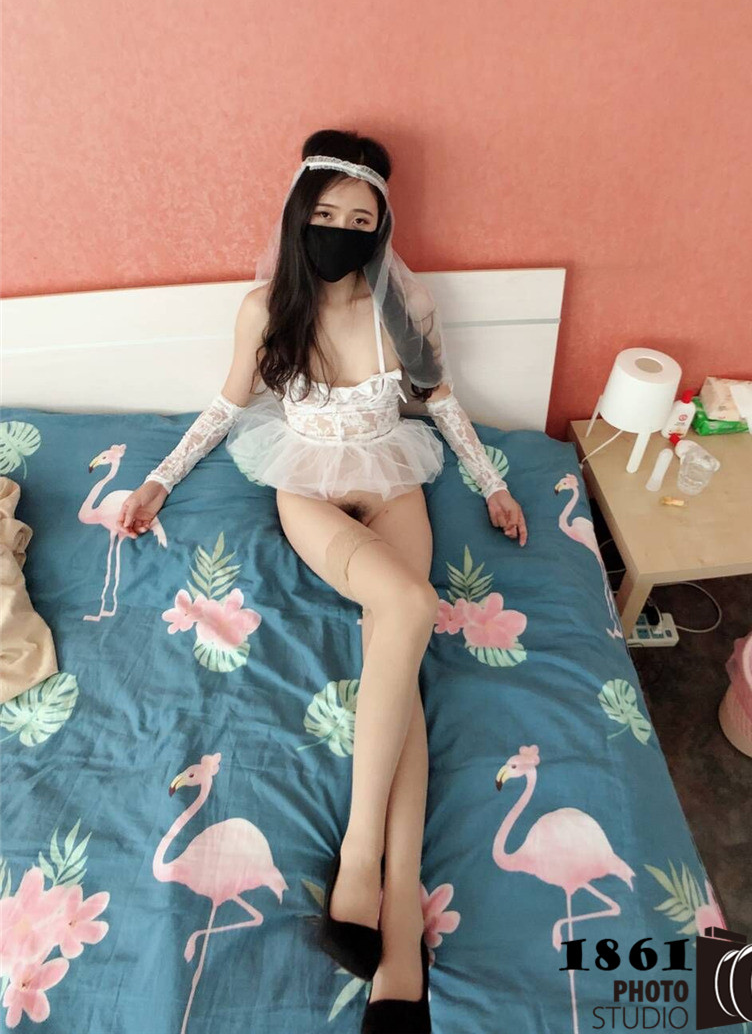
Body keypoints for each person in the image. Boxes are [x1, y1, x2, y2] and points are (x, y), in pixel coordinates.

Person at [118, 128, 528, 1031]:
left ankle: (392, 913)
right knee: (411, 604)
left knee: (399, 648)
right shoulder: (266, 309)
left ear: (382, 228)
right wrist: (159, 479)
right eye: (327, 214)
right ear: (299, 216)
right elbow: (227, 404)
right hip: (305, 483)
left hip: (394, 478)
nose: (341, 231)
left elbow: (440, 398)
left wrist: (492, 483)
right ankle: (364, 860)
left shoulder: (402, 307)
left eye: (361, 219)